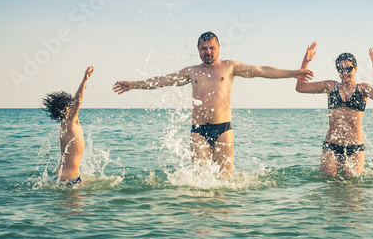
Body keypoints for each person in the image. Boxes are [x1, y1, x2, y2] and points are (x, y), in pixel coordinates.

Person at [113, 32, 313, 176]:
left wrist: (293, 72)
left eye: (211, 48)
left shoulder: (229, 67)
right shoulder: (192, 71)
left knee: (225, 180)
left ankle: (222, 226)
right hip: (198, 130)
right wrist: (133, 84)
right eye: (203, 48)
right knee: (200, 180)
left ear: (218, 48)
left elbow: (261, 70)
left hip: (224, 128)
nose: (208, 52)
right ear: (198, 50)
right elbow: (162, 80)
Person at [295, 42, 373, 178]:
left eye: (348, 68)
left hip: (355, 148)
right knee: (328, 186)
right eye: (340, 69)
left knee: (352, 193)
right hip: (331, 146)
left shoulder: (362, 88)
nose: (344, 72)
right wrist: (305, 62)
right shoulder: (330, 86)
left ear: (355, 69)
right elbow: (300, 87)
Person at [41, 66, 94, 185]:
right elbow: (78, 101)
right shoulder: (70, 121)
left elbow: (77, 100)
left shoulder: (66, 124)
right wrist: (84, 80)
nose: (76, 108)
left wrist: (82, 88)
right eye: (71, 106)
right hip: (70, 180)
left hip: (61, 177)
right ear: (67, 109)